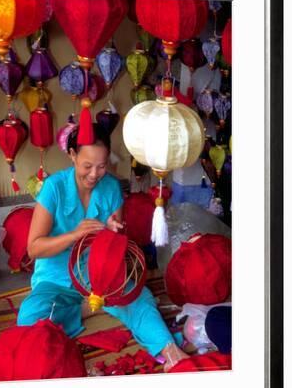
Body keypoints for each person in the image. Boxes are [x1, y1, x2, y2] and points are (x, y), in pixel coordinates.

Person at [17, 123, 188, 372]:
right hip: (56, 278)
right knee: (31, 318)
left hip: (99, 276)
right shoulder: (54, 188)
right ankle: (84, 309)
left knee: (140, 298)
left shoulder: (111, 187)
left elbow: (115, 244)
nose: (95, 174)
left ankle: (170, 351)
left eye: (102, 166)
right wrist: (75, 235)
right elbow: (34, 248)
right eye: (87, 166)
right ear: (72, 155)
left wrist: (112, 232)